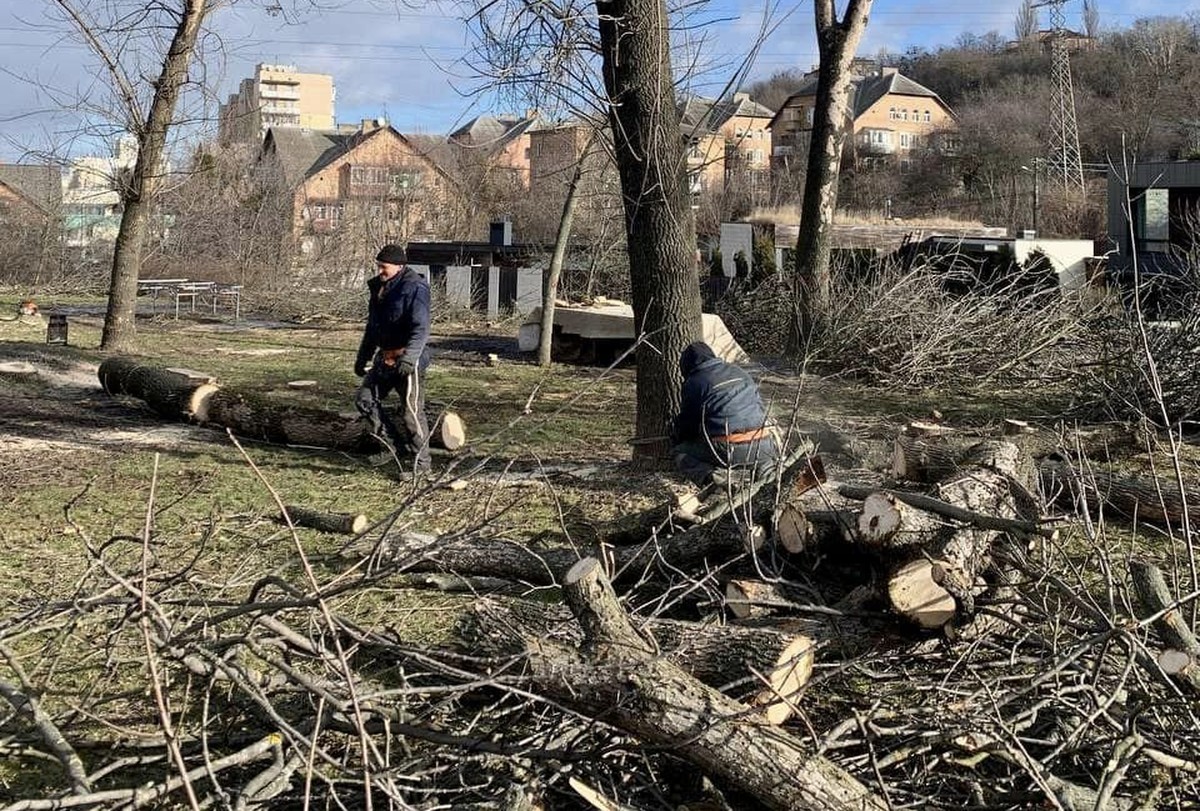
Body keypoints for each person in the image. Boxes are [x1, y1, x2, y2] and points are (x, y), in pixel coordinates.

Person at [354, 244, 432, 474]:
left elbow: (421, 328)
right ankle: (392, 446)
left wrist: (409, 359)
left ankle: (422, 466)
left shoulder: (415, 288)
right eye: (378, 266)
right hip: (384, 358)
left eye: (384, 267)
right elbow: (372, 328)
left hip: (409, 359)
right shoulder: (379, 288)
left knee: (411, 412)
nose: (380, 271)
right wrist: (363, 357)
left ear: (399, 266)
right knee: (364, 399)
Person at [669, 341, 778, 486]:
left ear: (686, 366)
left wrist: (676, 435)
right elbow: (759, 408)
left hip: (730, 451)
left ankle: (714, 480)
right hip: (764, 445)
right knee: (763, 467)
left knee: (681, 453)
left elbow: (689, 425)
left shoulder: (695, 382)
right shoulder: (739, 371)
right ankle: (766, 481)